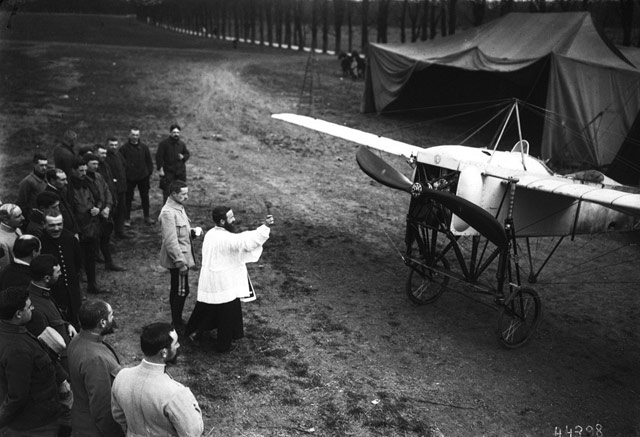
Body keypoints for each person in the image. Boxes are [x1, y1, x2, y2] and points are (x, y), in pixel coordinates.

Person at [185, 206, 273, 353]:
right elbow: (246, 242)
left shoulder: (211, 234)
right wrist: (265, 227)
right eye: (231, 217)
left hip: (211, 280)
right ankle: (223, 345)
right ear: (222, 221)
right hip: (224, 283)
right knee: (226, 313)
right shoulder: (226, 238)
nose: (234, 219)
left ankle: (196, 332)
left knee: (209, 309)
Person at [111, 322, 203, 437]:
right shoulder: (175, 393)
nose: (179, 345)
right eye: (176, 343)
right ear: (163, 352)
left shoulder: (121, 377)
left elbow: (118, 416)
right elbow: (193, 432)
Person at [0, 286, 68, 436]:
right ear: (18, 314)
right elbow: (17, 396)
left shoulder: (13, 330)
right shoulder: (17, 350)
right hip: (36, 425)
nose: (33, 308)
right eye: (29, 307)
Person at [67, 299, 123, 437]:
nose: (113, 318)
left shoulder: (77, 340)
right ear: (102, 323)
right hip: (95, 430)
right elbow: (102, 407)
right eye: (111, 315)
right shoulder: (94, 358)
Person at [158, 181, 200, 328]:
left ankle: (177, 320)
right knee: (181, 291)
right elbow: (170, 240)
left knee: (179, 289)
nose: (186, 197)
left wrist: (192, 233)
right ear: (174, 194)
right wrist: (180, 262)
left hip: (181, 255)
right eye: (183, 194)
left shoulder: (178, 208)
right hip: (179, 259)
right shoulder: (168, 212)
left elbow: (180, 233)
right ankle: (177, 323)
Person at [39, 212, 83, 327]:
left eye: (59, 224)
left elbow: (78, 262)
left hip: (72, 290)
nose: (56, 228)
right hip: (54, 293)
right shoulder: (40, 242)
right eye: (52, 225)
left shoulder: (70, 238)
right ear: (44, 225)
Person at [67, 157, 103, 294]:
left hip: (92, 226)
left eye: (85, 170)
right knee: (77, 260)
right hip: (78, 228)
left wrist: (98, 208)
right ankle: (78, 291)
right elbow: (69, 209)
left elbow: (99, 198)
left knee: (91, 257)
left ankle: (92, 285)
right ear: (73, 171)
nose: (83, 173)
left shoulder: (89, 182)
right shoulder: (68, 187)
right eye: (80, 171)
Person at [85, 152, 124, 272]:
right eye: (93, 164)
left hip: (103, 213)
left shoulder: (98, 176)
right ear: (86, 165)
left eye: (97, 163)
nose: (96, 166)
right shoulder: (84, 179)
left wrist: (107, 207)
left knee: (105, 239)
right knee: (91, 243)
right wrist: (100, 209)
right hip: (92, 216)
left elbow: (107, 192)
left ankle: (109, 262)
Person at [119, 127, 154, 226]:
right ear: (129, 135)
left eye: (137, 135)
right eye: (133, 135)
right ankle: (127, 218)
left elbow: (149, 162)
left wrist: (148, 173)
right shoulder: (123, 149)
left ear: (139, 136)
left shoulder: (144, 147)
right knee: (128, 198)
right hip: (129, 178)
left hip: (143, 177)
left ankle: (147, 216)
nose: (135, 137)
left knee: (145, 197)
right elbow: (121, 164)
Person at [102, 139, 130, 239]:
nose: (114, 147)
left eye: (115, 145)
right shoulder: (106, 158)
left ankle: (119, 231)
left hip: (122, 188)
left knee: (122, 209)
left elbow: (125, 166)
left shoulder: (118, 155)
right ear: (107, 145)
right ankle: (111, 234)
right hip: (113, 190)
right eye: (111, 145)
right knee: (114, 211)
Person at [156, 124, 190, 203]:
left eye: (178, 132)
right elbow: (159, 157)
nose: (176, 134)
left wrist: (183, 157)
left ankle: (178, 209)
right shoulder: (164, 144)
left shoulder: (181, 144)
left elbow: (187, 154)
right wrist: (160, 169)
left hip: (180, 172)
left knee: (180, 192)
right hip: (168, 172)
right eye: (174, 132)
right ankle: (167, 209)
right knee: (167, 192)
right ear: (170, 133)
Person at [44, 168, 78, 236]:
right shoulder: (48, 197)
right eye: (62, 180)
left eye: (65, 179)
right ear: (52, 181)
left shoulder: (62, 191)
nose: (66, 182)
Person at [16, 152, 49, 224]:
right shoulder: (27, 181)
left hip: (47, 217)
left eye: (46, 165)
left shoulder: (47, 179)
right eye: (41, 165)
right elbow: (21, 203)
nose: (44, 168)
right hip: (34, 221)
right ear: (34, 165)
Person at [0, 204, 24, 270]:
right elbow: (5, 268)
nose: (23, 218)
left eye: (21, 214)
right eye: (18, 216)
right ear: (6, 221)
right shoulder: (2, 243)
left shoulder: (17, 229)